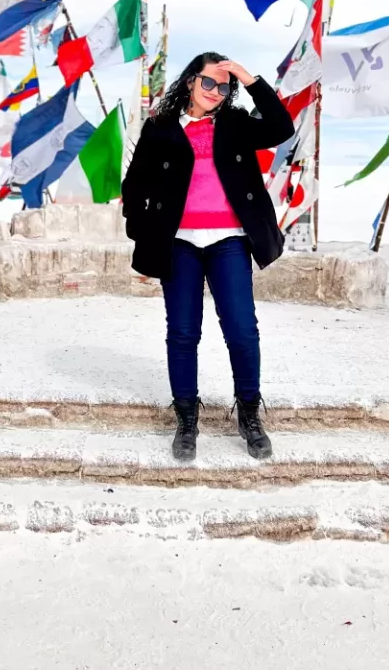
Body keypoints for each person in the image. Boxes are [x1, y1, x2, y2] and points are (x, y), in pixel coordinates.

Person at [122, 52, 294, 463]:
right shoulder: (161, 127)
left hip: (229, 240)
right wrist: (143, 233)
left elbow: (280, 127)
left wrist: (249, 79)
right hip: (178, 242)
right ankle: (186, 419)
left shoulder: (234, 124)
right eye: (208, 83)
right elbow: (135, 185)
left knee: (241, 329)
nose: (216, 92)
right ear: (189, 82)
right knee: (182, 332)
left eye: (223, 86)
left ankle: (250, 415)